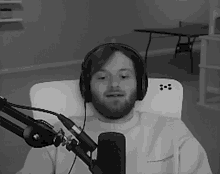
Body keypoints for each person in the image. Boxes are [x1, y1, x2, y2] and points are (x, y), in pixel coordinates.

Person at [16, 43, 213, 174]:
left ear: (140, 85)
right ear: (86, 87)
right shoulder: (58, 134)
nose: (114, 85)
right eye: (102, 77)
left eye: (124, 76)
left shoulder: (173, 131)